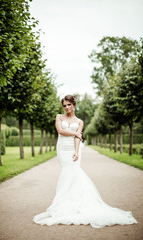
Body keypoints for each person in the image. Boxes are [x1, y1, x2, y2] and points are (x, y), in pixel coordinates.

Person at [33, 95, 137, 228]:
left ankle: (72, 202)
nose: (66, 108)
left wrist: (76, 151)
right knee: (66, 172)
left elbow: (78, 138)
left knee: (74, 172)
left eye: (69, 105)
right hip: (62, 148)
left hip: (73, 149)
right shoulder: (59, 117)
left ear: (74, 105)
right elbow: (60, 131)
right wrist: (75, 134)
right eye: (64, 105)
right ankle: (62, 203)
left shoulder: (80, 121)